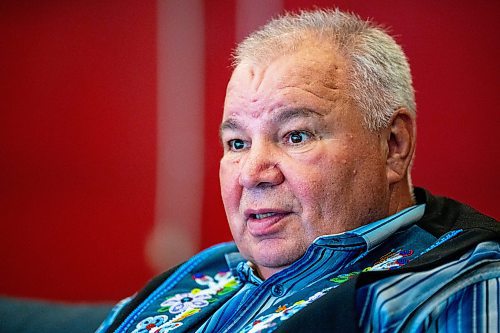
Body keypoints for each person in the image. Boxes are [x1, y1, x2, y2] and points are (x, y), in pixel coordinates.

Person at [97, 9, 499, 333]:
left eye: (295, 136)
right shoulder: (205, 270)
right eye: (237, 143)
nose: (252, 172)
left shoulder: (457, 287)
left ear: (393, 144)